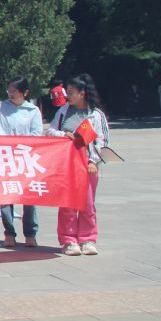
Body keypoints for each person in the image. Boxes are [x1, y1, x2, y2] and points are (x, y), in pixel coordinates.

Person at [48, 73, 108, 256]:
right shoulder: (63, 111)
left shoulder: (95, 115)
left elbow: (102, 140)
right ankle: (68, 240)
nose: (68, 96)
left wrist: (93, 161)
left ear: (82, 93)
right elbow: (51, 131)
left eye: (72, 92)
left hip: (87, 164)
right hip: (67, 164)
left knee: (87, 203)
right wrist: (62, 135)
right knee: (67, 203)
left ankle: (88, 239)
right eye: (68, 92)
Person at [0, 76, 44, 248]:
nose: (11, 94)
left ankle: (30, 233)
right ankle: (9, 233)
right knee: (6, 196)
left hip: (26, 158)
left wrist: (20, 144)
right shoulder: (0, 107)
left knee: (29, 197)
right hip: (5, 157)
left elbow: (36, 133)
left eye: (15, 91)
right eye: (9, 90)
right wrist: (7, 142)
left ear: (25, 93)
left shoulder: (33, 111)